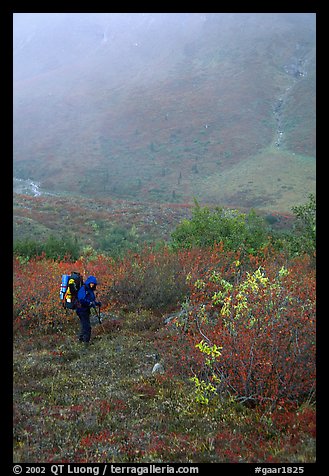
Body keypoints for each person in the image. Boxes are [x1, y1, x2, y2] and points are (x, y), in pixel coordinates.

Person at [76, 275, 101, 346]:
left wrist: (96, 303)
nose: (92, 285)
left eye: (93, 284)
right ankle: (86, 343)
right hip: (81, 310)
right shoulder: (83, 289)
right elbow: (81, 299)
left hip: (85, 310)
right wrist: (89, 303)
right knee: (87, 327)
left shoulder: (90, 290)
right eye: (91, 283)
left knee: (84, 326)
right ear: (88, 282)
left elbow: (91, 300)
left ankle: (81, 341)